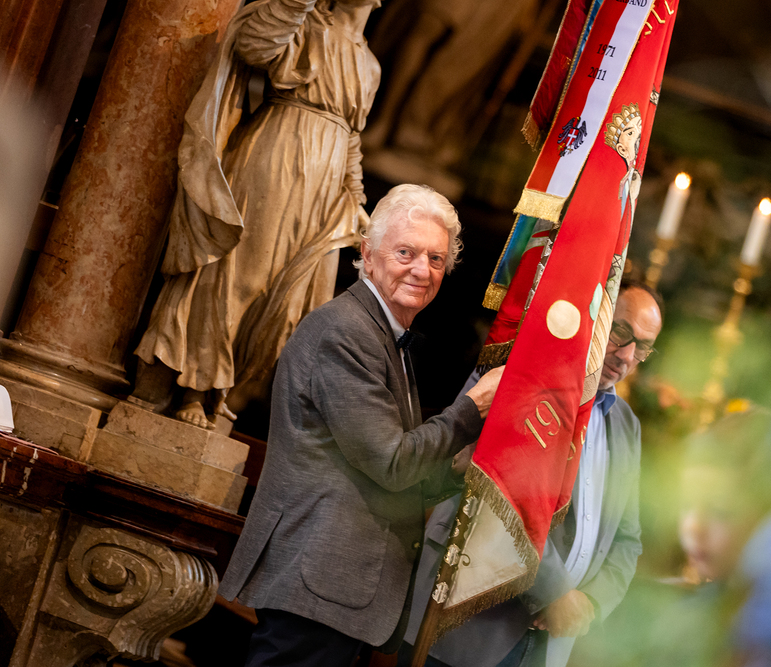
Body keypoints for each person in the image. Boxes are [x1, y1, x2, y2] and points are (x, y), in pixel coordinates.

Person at [218, 184, 504, 667]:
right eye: (406, 253)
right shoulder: (345, 330)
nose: (422, 270)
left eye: (436, 259)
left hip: (339, 592)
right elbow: (392, 462)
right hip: (319, 584)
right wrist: (470, 410)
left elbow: (396, 473)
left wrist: (456, 469)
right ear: (368, 255)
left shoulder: (386, 335)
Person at [134, 0, 382, 429]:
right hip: (276, 158)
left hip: (326, 189)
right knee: (239, 278)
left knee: (292, 302)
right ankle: (192, 387)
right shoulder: (305, 25)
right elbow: (254, 47)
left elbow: (352, 136)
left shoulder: (370, 64)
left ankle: (223, 390)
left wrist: (356, 196)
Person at [399, 280, 664, 667]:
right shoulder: (527, 377)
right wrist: (556, 592)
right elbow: (496, 489)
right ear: (597, 315)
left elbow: (627, 538)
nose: (626, 354)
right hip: (467, 624)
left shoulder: (627, 425)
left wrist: (591, 603)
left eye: (642, 347)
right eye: (621, 331)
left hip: (548, 641)